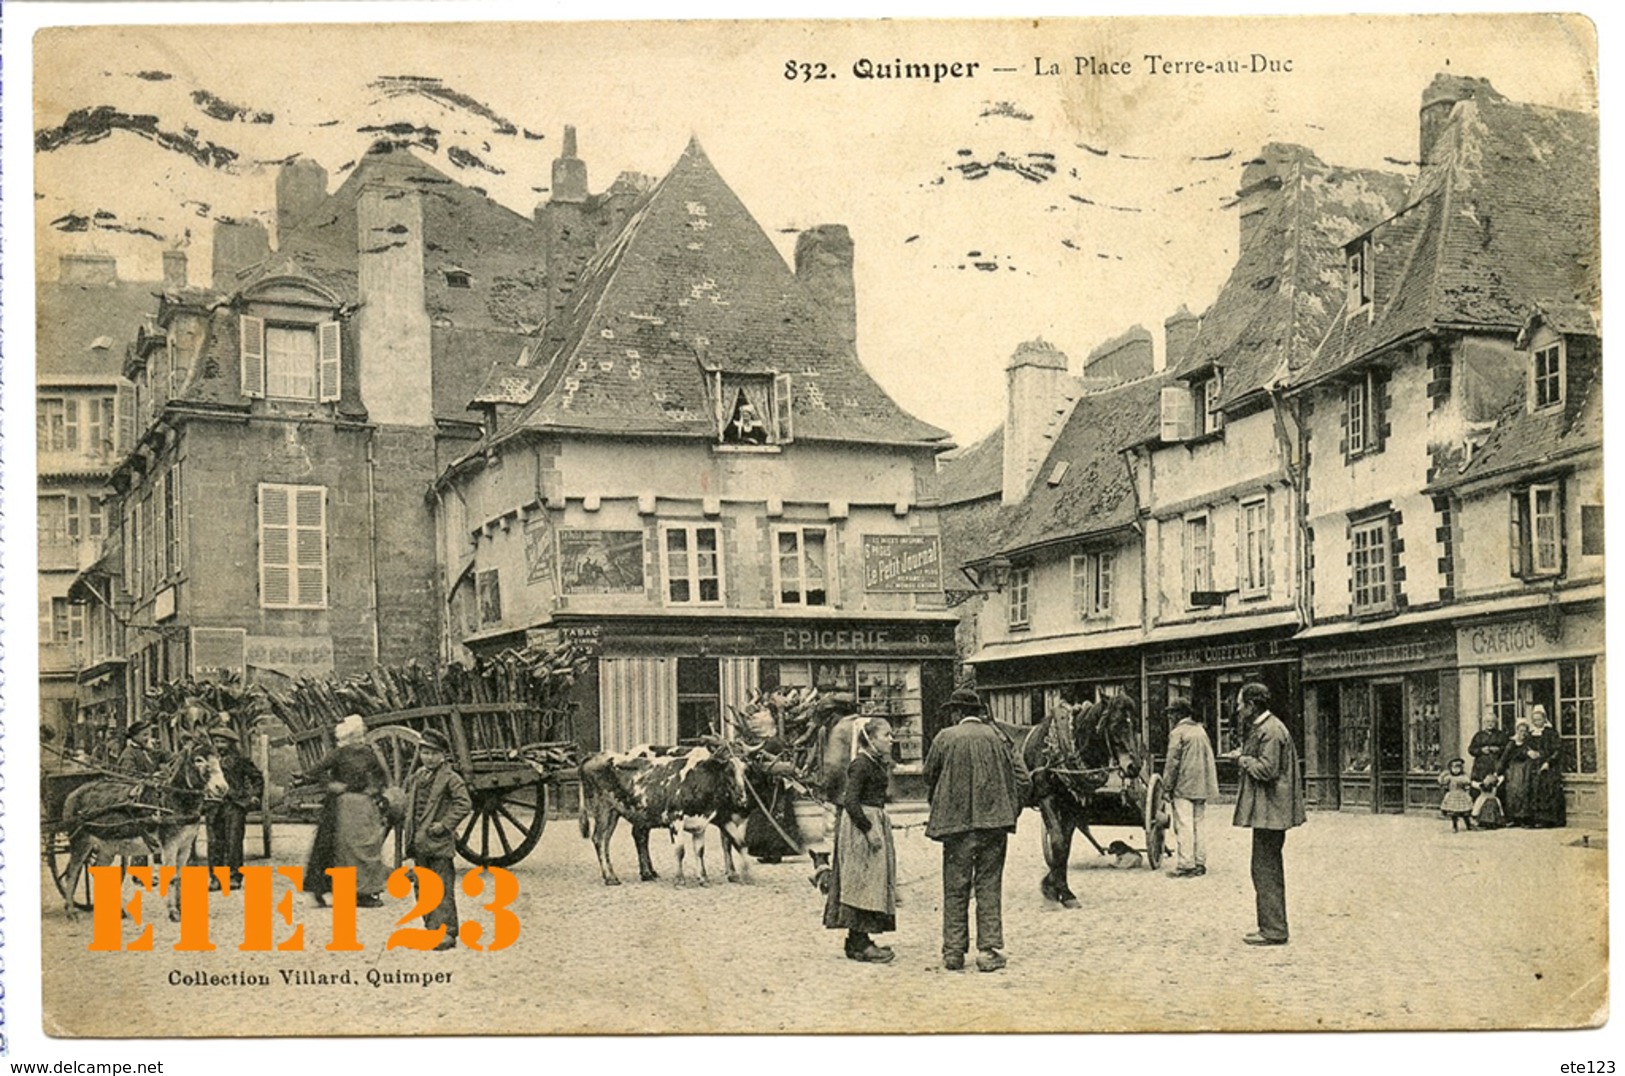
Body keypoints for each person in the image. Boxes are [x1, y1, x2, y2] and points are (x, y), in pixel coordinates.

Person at [924, 687, 1024, 973]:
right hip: (994, 825)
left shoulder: (945, 737)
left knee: (955, 886)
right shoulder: (999, 738)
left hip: (956, 827)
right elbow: (1022, 778)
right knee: (988, 885)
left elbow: (928, 775)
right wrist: (1009, 810)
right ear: (979, 712)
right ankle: (987, 950)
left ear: (956, 713)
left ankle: (953, 952)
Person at [1225, 682, 1305, 947]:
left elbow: (1268, 769)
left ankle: (1273, 930)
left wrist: (1242, 760)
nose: (1238, 709)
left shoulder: (1270, 730)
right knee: (1264, 868)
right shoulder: (1267, 728)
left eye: (1240, 704)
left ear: (1252, 705)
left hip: (1271, 812)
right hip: (1269, 812)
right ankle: (1271, 926)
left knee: (1265, 869)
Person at [822, 717, 898, 964]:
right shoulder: (861, 764)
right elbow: (851, 801)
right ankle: (860, 943)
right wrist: (869, 829)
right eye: (886, 735)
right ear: (871, 739)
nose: (891, 739)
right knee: (862, 882)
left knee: (869, 881)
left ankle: (858, 941)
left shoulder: (875, 763)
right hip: (860, 827)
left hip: (871, 821)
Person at [303, 714, 390, 908]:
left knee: (364, 845)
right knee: (337, 846)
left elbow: (381, 775)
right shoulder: (339, 753)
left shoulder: (368, 753)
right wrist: (331, 784)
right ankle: (327, 888)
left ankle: (363, 892)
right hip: (341, 806)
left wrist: (374, 789)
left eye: (359, 736)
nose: (357, 741)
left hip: (361, 806)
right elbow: (312, 773)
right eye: (355, 736)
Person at [403, 730, 472, 950]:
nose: (428, 757)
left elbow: (464, 804)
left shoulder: (451, 779)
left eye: (433, 753)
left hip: (439, 843)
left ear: (443, 756)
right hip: (420, 843)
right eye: (424, 752)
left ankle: (446, 932)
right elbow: (411, 809)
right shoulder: (417, 778)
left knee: (441, 887)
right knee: (422, 887)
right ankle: (431, 928)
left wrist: (445, 825)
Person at [1161, 698, 1220, 877]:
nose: (1170, 716)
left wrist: (1167, 787)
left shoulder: (1178, 733)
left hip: (1184, 785)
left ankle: (1186, 865)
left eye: (1172, 713)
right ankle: (1200, 863)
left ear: (1179, 714)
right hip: (1201, 785)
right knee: (1198, 824)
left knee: (1184, 825)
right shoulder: (1200, 731)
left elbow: (1172, 762)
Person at [207, 715, 265, 890]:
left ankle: (234, 876)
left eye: (223, 742)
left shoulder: (240, 760)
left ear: (231, 744)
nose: (219, 746)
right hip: (214, 805)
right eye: (216, 742)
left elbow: (257, 778)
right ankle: (215, 878)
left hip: (235, 805)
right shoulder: (209, 761)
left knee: (234, 841)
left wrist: (254, 796)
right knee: (215, 842)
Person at [741, 708, 801, 863]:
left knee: (774, 816)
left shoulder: (773, 742)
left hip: (773, 786)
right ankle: (766, 852)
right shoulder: (767, 741)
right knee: (764, 817)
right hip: (766, 786)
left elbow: (776, 761)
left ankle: (775, 853)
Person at [1525, 706, 1566, 828]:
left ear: (1544, 719)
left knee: (1547, 791)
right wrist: (1528, 752)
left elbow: (1557, 750)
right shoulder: (1529, 734)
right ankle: (1534, 819)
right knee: (1533, 790)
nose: (1537, 722)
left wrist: (1548, 762)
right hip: (1532, 766)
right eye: (1535, 720)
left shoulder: (1551, 733)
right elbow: (1523, 747)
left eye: (1539, 719)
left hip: (1548, 767)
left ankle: (1547, 820)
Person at [1499, 719, 1534, 826]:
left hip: (1526, 770)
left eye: (1524, 731)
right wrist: (1498, 772)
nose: (1522, 734)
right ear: (1516, 731)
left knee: (1524, 792)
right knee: (1512, 793)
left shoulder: (1528, 743)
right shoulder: (1511, 743)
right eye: (1520, 731)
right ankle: (1513, 818)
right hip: (1513, 770)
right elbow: (1504, 758)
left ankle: (1523, 818)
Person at [1467, 712, 1509, 789]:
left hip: (1496, 766)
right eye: (1488, 721)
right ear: (1484, 723)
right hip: (1481, 768)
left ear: (1496, 723)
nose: (1490, 724)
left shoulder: (1501, 735)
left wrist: (1498, 749)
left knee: (1497, 789)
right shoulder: (1479, 736)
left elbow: (1507, 749)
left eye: (1492, 721)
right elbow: (1471, 749)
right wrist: (1481, 750)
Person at [1437, 757, 1474, 832]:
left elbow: (1467, 784)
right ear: (1451, 768)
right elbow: (1441, 781)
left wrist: (1467, 792)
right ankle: (1455, 826)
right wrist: (1444, 774)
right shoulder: (1449, 777)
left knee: (1465, 813)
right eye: (1454, 768)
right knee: (1454, 813)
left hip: (1462, 795)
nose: (1456, 770)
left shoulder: (1463, 777)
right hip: (1452, 796)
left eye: (1458, 768)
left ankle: (1468, 825)